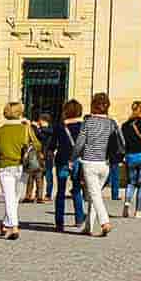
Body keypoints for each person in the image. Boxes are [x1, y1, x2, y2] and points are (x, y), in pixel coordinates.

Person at [0, 101, 38, 240]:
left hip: (5, 166)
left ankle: (12, 226)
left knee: (9, 198)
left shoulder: (0, 131)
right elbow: (37, 146)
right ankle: (8, 224)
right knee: (14, 199)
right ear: (21, 113)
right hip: (22, 167)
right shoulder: (25, 129)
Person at [74, 93, 122, 237]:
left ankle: (104, 222)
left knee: (94, 195)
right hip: (105, 163)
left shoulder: (88, 122)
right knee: (94, 195)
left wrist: (73, 157)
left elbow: (80, 143)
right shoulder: (112, 123)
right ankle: (88, 227)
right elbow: (121, 142)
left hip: (89, 162)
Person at [52, 99, 85, 231]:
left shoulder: (59, 126)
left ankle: (59, 222)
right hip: (78, 160)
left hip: (62, 160)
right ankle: (79, 219)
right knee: (77, 190)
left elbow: (52, 145)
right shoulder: (84, 126)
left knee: (60, 191)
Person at [26, 114, 51, 205]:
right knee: (32, 175)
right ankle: (29, 195)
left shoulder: (48, 130)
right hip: (37, 154)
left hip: (43, 155)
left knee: (39, 176)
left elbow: (41, 137)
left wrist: (34, 127)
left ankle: (39, 195)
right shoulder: (42, 130)